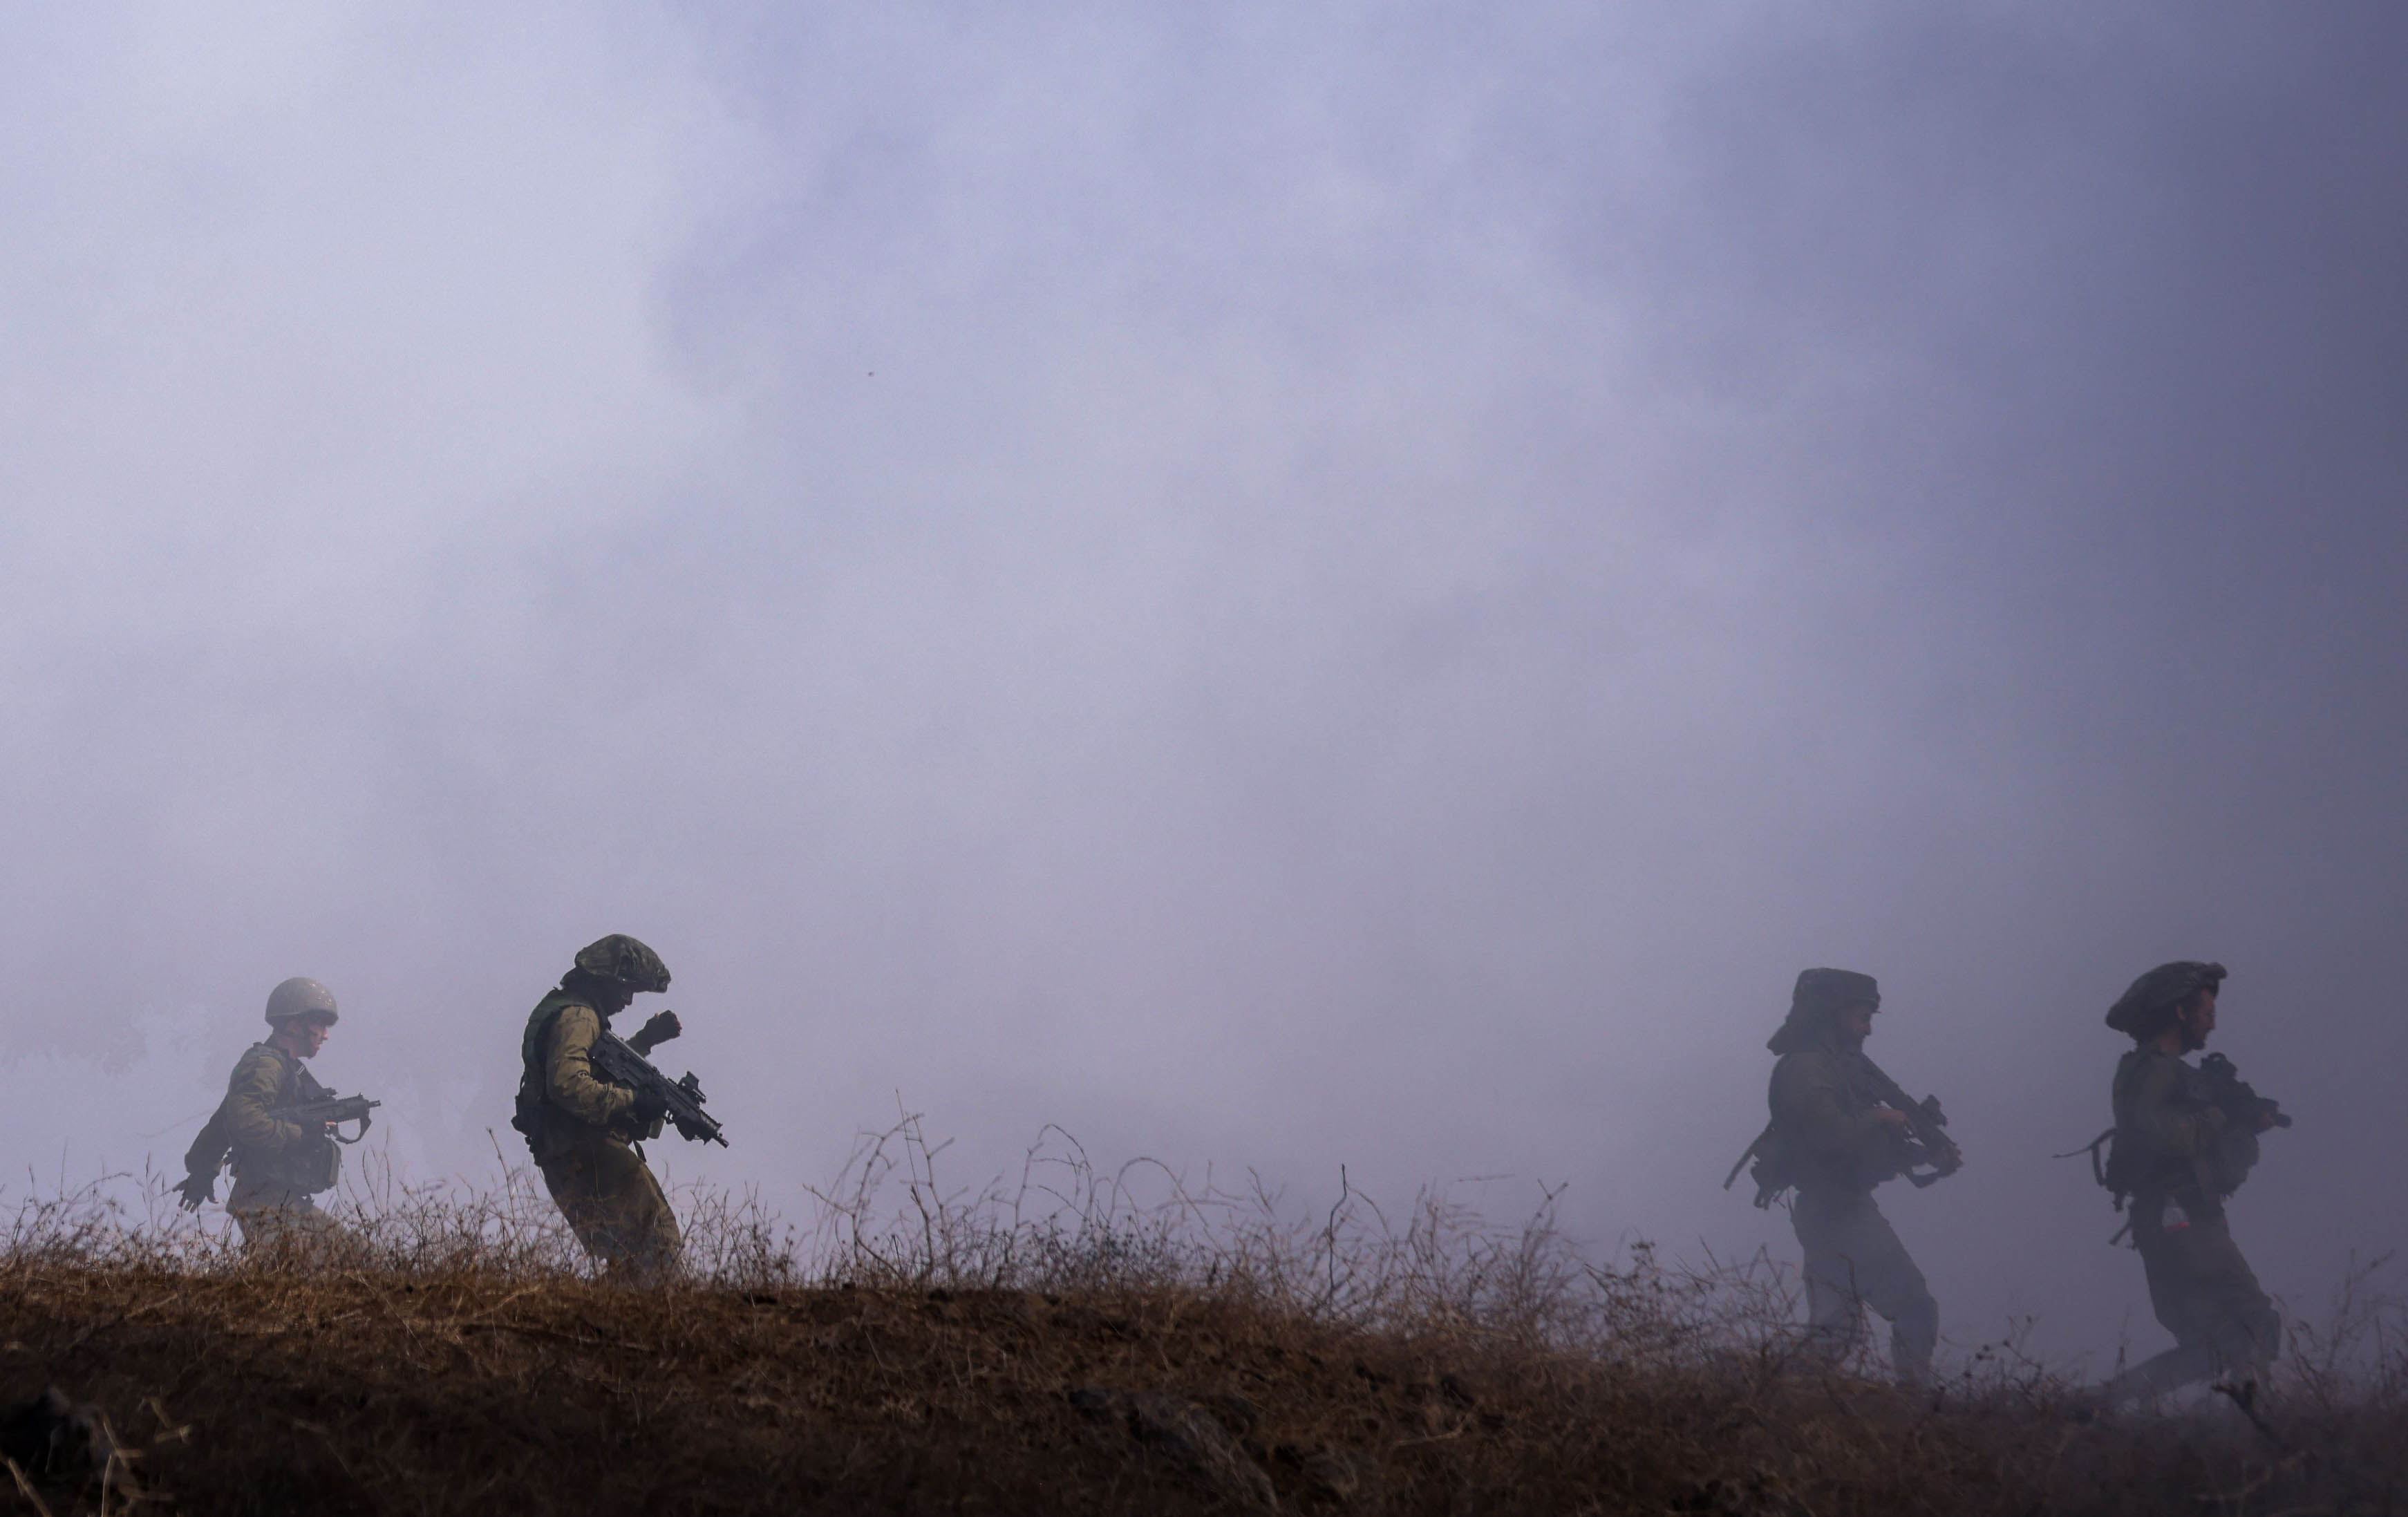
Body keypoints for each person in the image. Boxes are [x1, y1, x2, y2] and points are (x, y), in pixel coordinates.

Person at [2096, 961, 2282, 1406]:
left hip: (2172, 1217)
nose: (2212, 1023)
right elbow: (2158, 1133)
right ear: (2180, 1012)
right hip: (2183, 1219)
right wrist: (2223, 1115)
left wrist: (2242, 1124)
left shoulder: (2161, 1071)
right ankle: (2262, 1426)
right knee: (2253, 1323)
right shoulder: (2155, 1070)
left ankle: (2092, 1406)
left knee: (2213, 1345)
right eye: (2206, 1012)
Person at [1757, 968, 1954, 1382]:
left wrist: (1925, 1149)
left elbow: (1861, 1142)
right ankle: (1914, 1410)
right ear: (1834, 1014)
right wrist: (1879, 1118)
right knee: (1915, 1308)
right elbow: (1829, 1136)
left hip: (1830, 1208)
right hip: (1838, 1210)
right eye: (1862, 1018)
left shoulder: (1839, 1065)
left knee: (1833, 1335)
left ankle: (1763, 1394)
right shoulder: (1809, 1067)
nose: (1867, 1029)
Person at [511, 934, 685, 1283]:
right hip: (584, 1149)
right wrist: (634, 1100)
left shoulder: (570, 1009)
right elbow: (568, 1085)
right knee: (656, 1239)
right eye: (625, 988)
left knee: (627, 1255)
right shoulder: (579, 1017)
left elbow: (599, 1068)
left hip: (567, 1151)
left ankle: (613, 1316)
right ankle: (661, 1316)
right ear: (603, 981)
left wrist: (645, 1041)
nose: (628, 1000)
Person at [177, 977, 352, 1254]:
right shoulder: (265, 1065)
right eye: (320, 1024)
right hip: (264, 1202)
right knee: (288, 1275)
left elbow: (222, 1123)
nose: (325, 1035)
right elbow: (245, 1121)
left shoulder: (285, 1068)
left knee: (360, 1260)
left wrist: (203, 1169)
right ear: (294, 1025)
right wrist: (302, 1134)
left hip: (283, 1199)